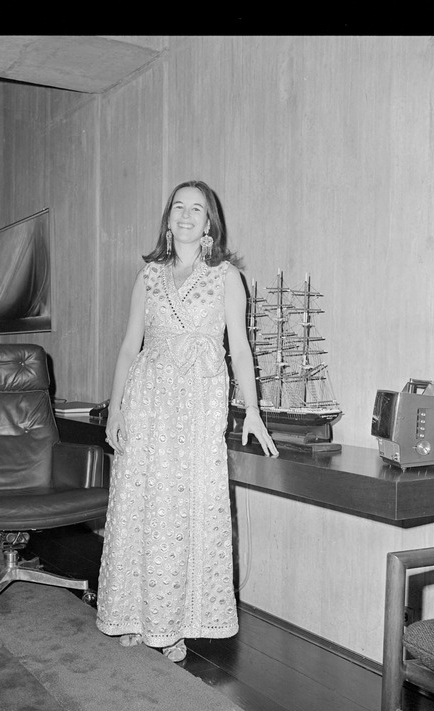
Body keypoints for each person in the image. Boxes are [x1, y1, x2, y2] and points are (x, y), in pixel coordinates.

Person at [96, 180, 278, 663]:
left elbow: (239, 346)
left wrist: (254, 412)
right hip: (148, 399)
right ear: (168, 217)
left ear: (210, 222)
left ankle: (172, 623)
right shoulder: (148, 276)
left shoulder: (226, 277)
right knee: (141, 505)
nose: (186, 215)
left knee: (182, 509)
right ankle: (135, 613)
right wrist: (115, 409)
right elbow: (128, 343)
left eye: (197, 209)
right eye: (179, 207)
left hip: (197, 403)